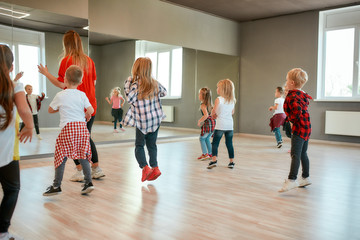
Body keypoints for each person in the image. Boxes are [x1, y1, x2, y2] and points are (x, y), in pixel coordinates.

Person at [38, 30, 105, 181]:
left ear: (66, 44)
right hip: (89, 104)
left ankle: (80, 171)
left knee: (73, 138)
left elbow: (63, 84)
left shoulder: (66, 61)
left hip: (74, 106)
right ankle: (96, 168)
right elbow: (93, 83)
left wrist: (46, 74)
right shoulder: (90, 61)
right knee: (85, 137)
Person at [43, 65, 95, 196]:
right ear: (81, 82)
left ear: (65, 79)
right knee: (83, 155)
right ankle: (89, 182)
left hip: (68, 128)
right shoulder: (82, 94)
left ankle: (56, 185)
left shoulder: (60, 95)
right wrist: (88, 114)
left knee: (61, 156)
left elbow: (50, 110)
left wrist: (59, 108)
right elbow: (91, 110)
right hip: (82, 128)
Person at [0, 45, 34, 240]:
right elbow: (24, 110)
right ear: (11, 67)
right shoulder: (15, 86)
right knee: (12, 189)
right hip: (6, 153)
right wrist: (29, 127)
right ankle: (2, 232)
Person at [123, 57, 167, 182]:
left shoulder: (135, 84)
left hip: (143, 121)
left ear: (136, 69)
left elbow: (129, 99)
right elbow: (164, 93)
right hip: (155, 119)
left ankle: (145, 167)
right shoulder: (154, 83)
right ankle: (155, 167)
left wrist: (128, 82)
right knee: (152, 145)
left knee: (139, 145)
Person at [279, 68, 312, 192]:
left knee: (295, 154)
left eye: (287, 80)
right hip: (307, 127)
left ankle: (292, 180)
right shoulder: (302, 93)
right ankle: (305, 177)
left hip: (299, 129)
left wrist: (292, 121)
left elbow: (297, 111)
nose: (286, 82)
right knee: (303, 153)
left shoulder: (291, 97)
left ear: (292, 82)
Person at [207, 79, 236, 169]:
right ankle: (231, 162)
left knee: (215, 143)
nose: (217, 89)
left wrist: (214, 114)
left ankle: (214, 160)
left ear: (222, 89)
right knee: (229, 144)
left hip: (220, 125)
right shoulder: (232, 100)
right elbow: (232, 112)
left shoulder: (218, 99)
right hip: (230, 125)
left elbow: (213, 112)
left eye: (218, 87)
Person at [197, 87, 215, 160]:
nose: (198, 95)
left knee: (202, 138)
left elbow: (206, 115)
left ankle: (205, 154)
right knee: (207, 138)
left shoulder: (203, 105)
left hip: (208, 124)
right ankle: (210, 154)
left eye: (199, 94)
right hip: (213, 124)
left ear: (203, 96)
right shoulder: (210, 104)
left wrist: (200, 121)